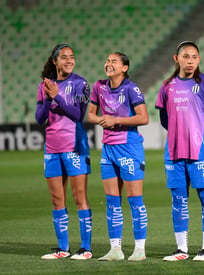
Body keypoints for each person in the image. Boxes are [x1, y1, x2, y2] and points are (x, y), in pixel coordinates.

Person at [155, 41, 204, 262]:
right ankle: (182, 249)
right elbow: (164, 119)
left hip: (201, 150)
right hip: (174, 151)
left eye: (194, 56)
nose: (190, 60)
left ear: (199, 59)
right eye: (186, 56)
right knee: (178, 199)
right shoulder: (167, 86)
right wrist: (179, 133)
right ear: (177, 59)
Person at [87, 52, 149, 261]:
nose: (108, 64)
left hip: (129, 148)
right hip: (108, 149)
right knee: (112, 200)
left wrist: (116, 121)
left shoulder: (131, 88)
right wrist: (102, 120)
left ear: (124, 67)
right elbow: (91, 115)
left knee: (134, 199)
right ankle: (115, 249)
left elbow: (144, 117)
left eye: (114, 61)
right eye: (107, 60)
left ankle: (139, 249)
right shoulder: (99, 87)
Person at [35, 43, 92, 260]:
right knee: (57, 198)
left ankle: (85, 249)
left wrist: (58, 96)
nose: (69, 60)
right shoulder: (45, 85)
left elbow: (78, 114)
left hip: (75, 147)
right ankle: (63, 249)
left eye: (72, 56)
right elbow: (40, 119)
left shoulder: (80, 83)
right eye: (64, 57)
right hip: (52, 148)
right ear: (54, 61)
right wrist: (49, 98)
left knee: (80, 198)